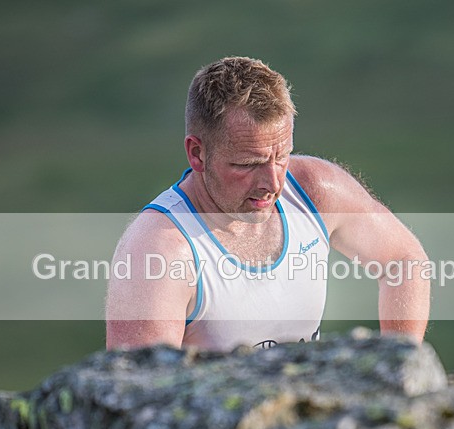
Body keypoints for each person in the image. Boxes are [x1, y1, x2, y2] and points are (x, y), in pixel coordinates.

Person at [106, 57, 429, 351]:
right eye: (248, 164)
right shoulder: (159, 252)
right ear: (197, 153)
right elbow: (132, 393)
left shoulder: (315, 189)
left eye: (282, 157)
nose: (273, 184)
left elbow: (402, 260)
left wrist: (400, 363)